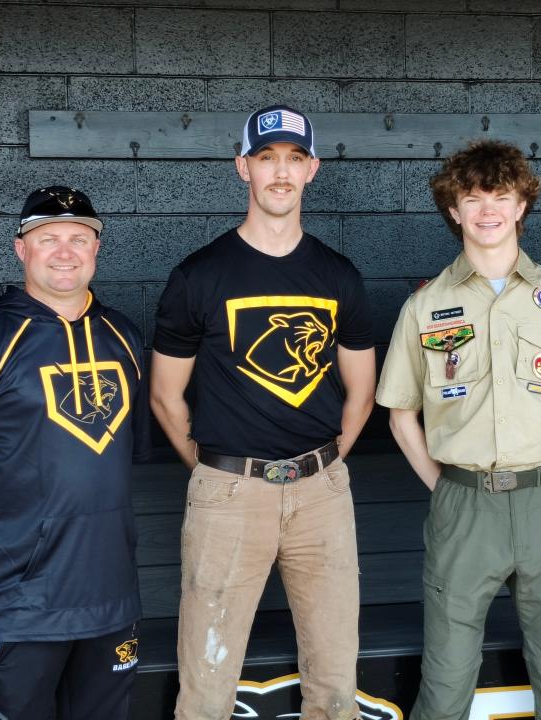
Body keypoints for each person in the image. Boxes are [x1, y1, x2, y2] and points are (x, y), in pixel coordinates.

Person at [376, 139, 541, 720]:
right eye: (473, 197)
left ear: (520, 207)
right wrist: (447, 487)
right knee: (446, 680)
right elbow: (401, 414)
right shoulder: (426, 306)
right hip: (462, 504)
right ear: (454, 210)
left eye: (500, 197)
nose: (487, 210)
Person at [150, 104, 376, 720]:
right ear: (242, 167)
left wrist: (327, 465)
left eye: (294, 159)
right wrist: (209, 467)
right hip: (230, 491)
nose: (281, 172)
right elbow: (166, 397)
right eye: (267, 158)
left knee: (334, 685)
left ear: (312, 170)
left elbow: (361, 390)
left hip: (322, 493)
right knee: (206, 688)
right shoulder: (200, 275)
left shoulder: (337, 274)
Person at [0, 187, 147, 720]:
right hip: (21, 606)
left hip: (111, 597)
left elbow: (117, 465)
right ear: (21, 249)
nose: (65, 251)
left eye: (78, 238)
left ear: (96, 248)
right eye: (48, 239)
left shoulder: (124, 338)